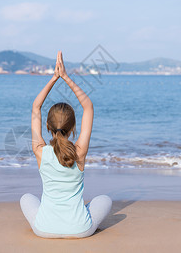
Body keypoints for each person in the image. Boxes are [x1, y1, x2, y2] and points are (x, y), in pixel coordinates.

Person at [20, 51, 112, 238]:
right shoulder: (79, 152)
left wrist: (54, 78)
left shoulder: (40, 151)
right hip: (81, 229)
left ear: (47, 126)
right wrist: (66, 77)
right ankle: (79, 215)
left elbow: (36, 107)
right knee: (104, 200)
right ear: (73, 128)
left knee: (26, 198)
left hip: (44, 229)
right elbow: (88, 106)